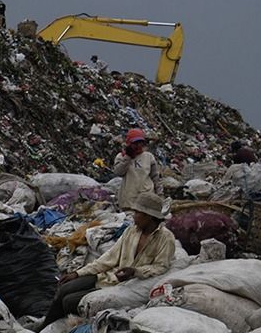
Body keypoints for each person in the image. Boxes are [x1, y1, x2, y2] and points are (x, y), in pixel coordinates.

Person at [47, 193, 175, 321]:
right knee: (65, 288)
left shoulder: (166, 238)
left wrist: (135, 272)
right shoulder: (131, 231)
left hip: (125, 286)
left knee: (69, 301)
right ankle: (44, 326)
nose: (134, 217)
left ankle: (58, 326)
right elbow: (109, 257)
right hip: (108, 276)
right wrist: (78, 273)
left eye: (137, 213)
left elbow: (161, 266)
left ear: (149, 216)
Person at [113, 128, 160, 210]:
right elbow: (118, 172)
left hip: (146, 196)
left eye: (140, 143)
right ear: (129, 143)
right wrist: (128, 157)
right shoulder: (121, 157)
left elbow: (155, 176)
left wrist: (159, 193)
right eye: (135, 143)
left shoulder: (148, 156)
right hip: (128, 199)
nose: (138, 146)